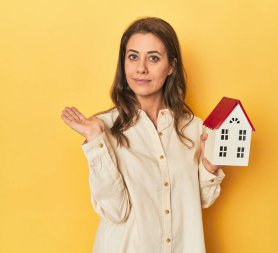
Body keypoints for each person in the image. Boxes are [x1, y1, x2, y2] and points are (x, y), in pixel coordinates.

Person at [61, 17, 225, 253]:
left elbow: (194, 203)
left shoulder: (194, 129)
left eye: (153, 58)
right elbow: (115, 211)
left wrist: (209, 167)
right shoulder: (103, 128)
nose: (141, 68)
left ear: (172, 66)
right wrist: (95, 142)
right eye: (133, 56)